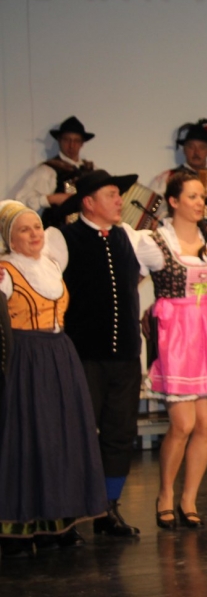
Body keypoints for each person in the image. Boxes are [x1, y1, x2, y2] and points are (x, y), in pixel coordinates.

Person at [0, 201, 107, 557]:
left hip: (60, 354)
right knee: (30, 439)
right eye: (24, 229)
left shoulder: (50, 264)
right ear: (10, 238)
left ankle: (57, 523)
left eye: (36, 227)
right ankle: (19, 528)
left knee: (62, 438)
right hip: (26, 358)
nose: (34, 234)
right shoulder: (5, 272)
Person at [138, 172, 207, 529]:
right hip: (176, 331)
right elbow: (131, 277)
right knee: (182, 424)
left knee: (205, 424)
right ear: (173, 201)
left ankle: (189, 498)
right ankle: (165, 493)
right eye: (193, 196)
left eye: (202, 197)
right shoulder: (155, 242)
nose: (200, 203)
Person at [47, 170, 147, 537]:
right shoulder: (63, 238)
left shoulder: (128, 237)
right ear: (88, 202)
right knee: (77, 433)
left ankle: (108, 508)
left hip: (125, 356)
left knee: (120, 433)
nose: (120, 200)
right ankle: (70, 513)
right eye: (112, 194)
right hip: (83, 356)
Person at [9, 115, 96, 230]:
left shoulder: (91, 170)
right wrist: (51, 199)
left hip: (88, 233)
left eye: (76, 140)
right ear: (59, 140)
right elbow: (20, 201)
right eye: (67, 140)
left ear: (82, 143)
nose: (71, 145)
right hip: (58, 233)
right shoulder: (48, 170)